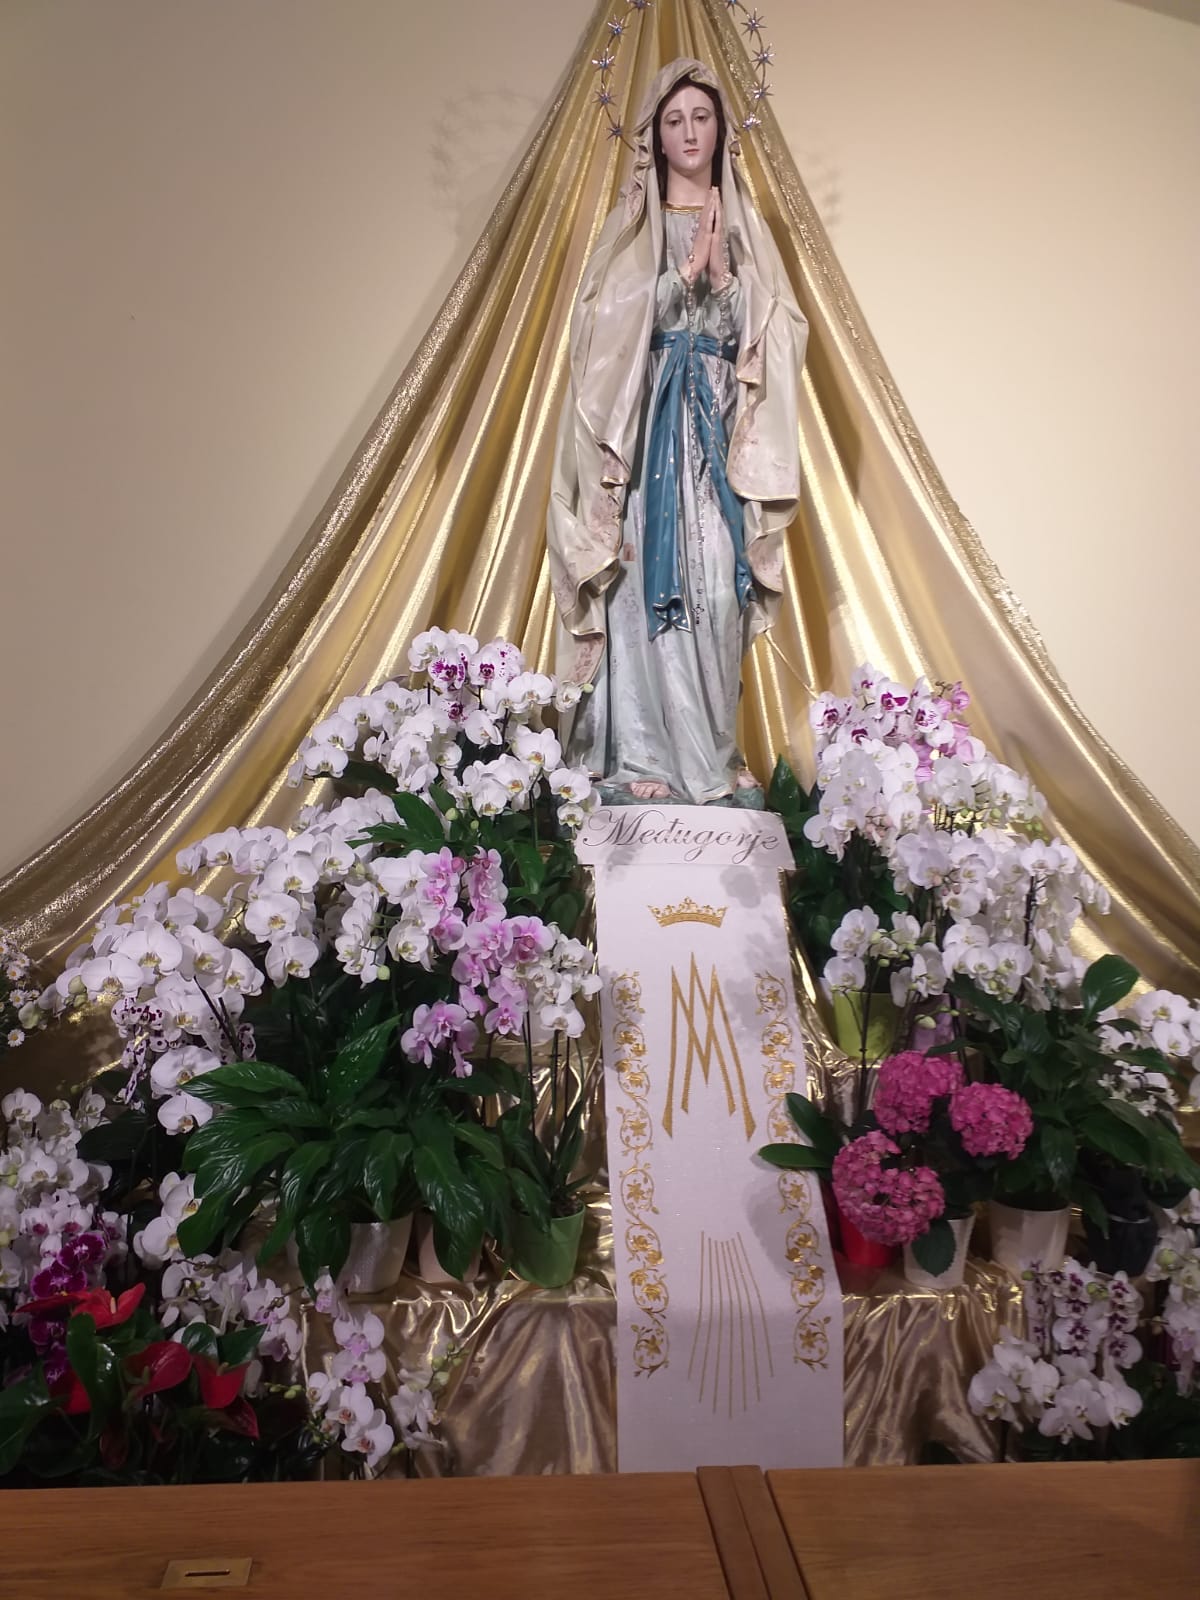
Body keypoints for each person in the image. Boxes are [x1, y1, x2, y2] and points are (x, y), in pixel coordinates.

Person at [547, 57, 807, 805]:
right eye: (673, 120)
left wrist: (729, 288)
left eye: (701, 117)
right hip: (647, 438)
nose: (689, 132)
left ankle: (714, 755)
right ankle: (640, 759)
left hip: (717, 435)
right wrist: (679, 276)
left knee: (719, 593)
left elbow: (781, 333)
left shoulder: (748, 229)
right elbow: (600, 334)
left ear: (721, 128)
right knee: (637, 588)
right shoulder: (632, 228)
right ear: (655, 138)